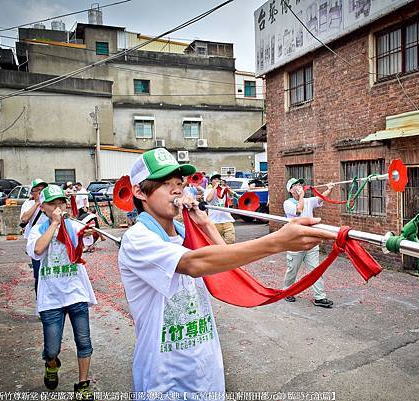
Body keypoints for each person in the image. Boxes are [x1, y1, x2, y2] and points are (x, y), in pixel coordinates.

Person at [117, 147, 334, 396]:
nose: (177, 190)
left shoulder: (185, 233)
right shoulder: (137, 239)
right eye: (165, 184)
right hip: (165, 378)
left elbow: (228, 267)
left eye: (179, 183)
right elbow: (193, 264)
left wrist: (206, 223)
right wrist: (278, 241)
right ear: (139, 192)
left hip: (205, 371)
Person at [26, 185, 97, 399]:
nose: (58, 207)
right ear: (43, 207)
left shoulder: (74, 226)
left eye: (61, 202)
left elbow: (87, 239)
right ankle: (51, 363)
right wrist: (55, 224)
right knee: (51, 348)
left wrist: (90, 233)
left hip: (76, 293)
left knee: (84, 342)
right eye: (52, 204)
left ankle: (83, 384)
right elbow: (38, 250)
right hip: (51, 297)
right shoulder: (38, 230)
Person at [283, 177, 335, 308]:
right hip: (295, 243)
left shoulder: (307, 200)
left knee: (315, 270)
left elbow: (319, 199)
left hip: (311, 242)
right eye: (295, 185)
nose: (299, 186)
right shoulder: (288, 203)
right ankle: (287, 291)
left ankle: (320, 297)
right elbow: (299, 210)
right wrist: (301, 196)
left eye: (300, 184)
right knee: (292, 270)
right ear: (290, 190)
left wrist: (328, 189)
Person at [19, 178, 48, 295]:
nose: (41, 192)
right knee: (39, 273)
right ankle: (40, 299)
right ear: (32, 192)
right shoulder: (28, 203)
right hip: (36, 241)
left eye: (43, 190)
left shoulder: (48, 203)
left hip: (50, 239)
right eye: (38, 190)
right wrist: (37, 203)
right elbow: (24, 219)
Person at [204, 174, 235, 244]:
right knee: (215, 242)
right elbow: (208, 199)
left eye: (218, 179)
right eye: (214, 179)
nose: (217, 180)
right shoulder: (208, 190)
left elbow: (232, 195)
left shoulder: (224, 189)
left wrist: (227, 189)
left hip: (227, 219)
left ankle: (227, 253)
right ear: (211, 181)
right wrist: (214, 187)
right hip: (214, 221)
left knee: (230, 240)